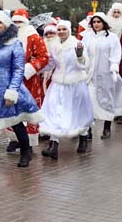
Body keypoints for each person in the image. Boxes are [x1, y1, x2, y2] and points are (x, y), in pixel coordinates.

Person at [0, 10, 42, 178]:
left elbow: (19, 69)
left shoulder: (14, 43)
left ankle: (25, 152)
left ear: (6, 25)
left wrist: (12, 92)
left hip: (8, 91)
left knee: (16, 122)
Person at [39, 20, 93, 157]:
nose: (61, 32)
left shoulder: (77, 44)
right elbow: (51, 63)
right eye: (59, 29)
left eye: (64, 29)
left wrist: (80, 55)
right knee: (54, 111)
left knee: (78, 112)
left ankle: (83, 138)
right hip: (58, 83)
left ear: (69, 30)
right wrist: (36, 69)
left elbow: (85, 65)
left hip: (75, 83)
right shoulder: (54, 46)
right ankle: (54, 144)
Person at [82, 13, 122, 139]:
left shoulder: (112, 37)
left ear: (104, 23)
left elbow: (115, 53)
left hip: (106, 74)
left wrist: (114, 66)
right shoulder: (87, 37)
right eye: (94, 22)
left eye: (99, 22)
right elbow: (82, 54)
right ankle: (88, 130)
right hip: (89, 75)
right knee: (89, 102)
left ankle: (107, 127)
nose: (96, 24)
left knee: (106, 100)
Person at [5, 9, 49, 150]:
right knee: (11, 108)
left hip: (28, 80)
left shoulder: (34, 37)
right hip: (11, 79)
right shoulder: (6, 36)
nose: (17, 25)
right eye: (15, 22)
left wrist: (28, 69)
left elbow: (43, 56)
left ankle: (28, 142)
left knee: (27, 109)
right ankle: (14, 139)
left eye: (20, 22)